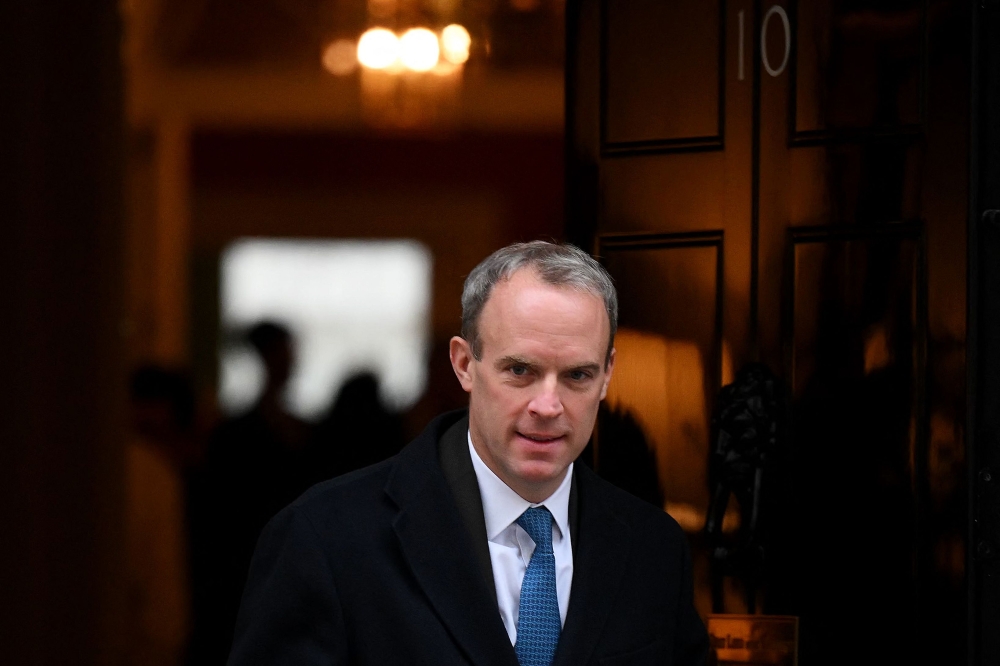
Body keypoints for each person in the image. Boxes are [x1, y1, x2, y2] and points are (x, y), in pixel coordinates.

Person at [228, 241, 708, 666]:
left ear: (607, 375)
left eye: (577, 375)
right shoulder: (326, 538)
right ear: (464, 365)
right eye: (519, 370)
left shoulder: (653, 550)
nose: (548, 405)